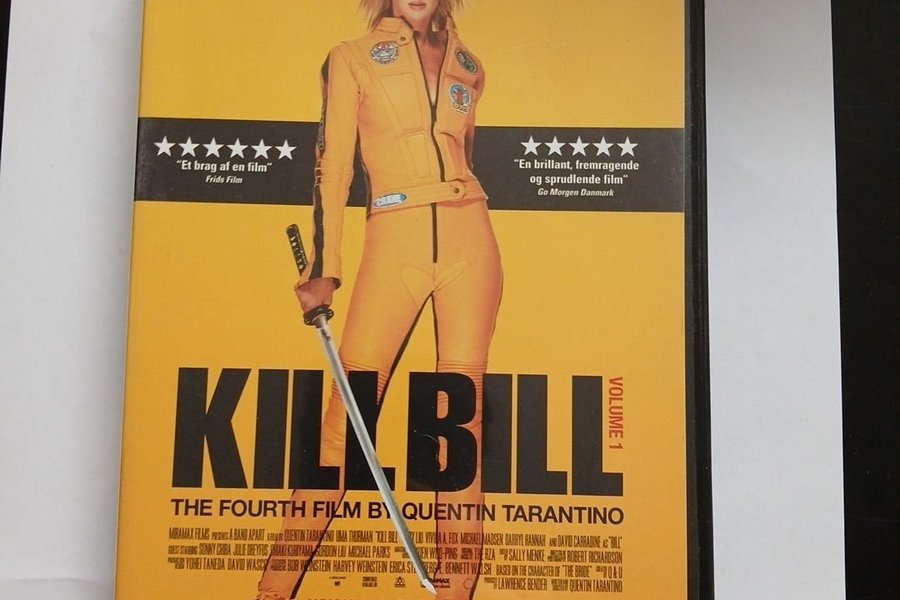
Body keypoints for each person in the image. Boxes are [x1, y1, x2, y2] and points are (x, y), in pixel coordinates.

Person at [257, 0, 501, 598]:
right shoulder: (352, 58)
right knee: (344, 424)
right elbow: (333, 165)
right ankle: (274, 591)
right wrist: (323, 267)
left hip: (472, 241)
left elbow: (465, 155)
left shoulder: (471, 65)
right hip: (394, 239)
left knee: (460, 427)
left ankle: (455, 592)